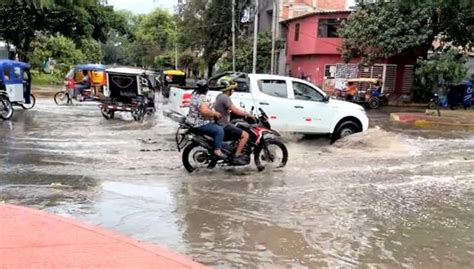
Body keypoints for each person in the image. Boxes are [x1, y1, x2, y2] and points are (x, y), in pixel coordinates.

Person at [214, 76, 254, 165]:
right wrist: (248, 114)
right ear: (229, 88)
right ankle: (237, 155)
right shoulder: (225, 97)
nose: (234, 90)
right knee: (245, 135)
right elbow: (235, 110)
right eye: (233, 88)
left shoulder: (220, 96)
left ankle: (233, 150)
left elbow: (231, 110)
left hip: (221, 124)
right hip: (223, 126)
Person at [186, 80, 226, 158]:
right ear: (206, 89)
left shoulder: (195, 95)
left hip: (192, 121)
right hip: (200, 123)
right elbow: (204, 111)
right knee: (219, 131)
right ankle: (217, 150)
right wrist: (215, 113)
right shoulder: (202, 97)